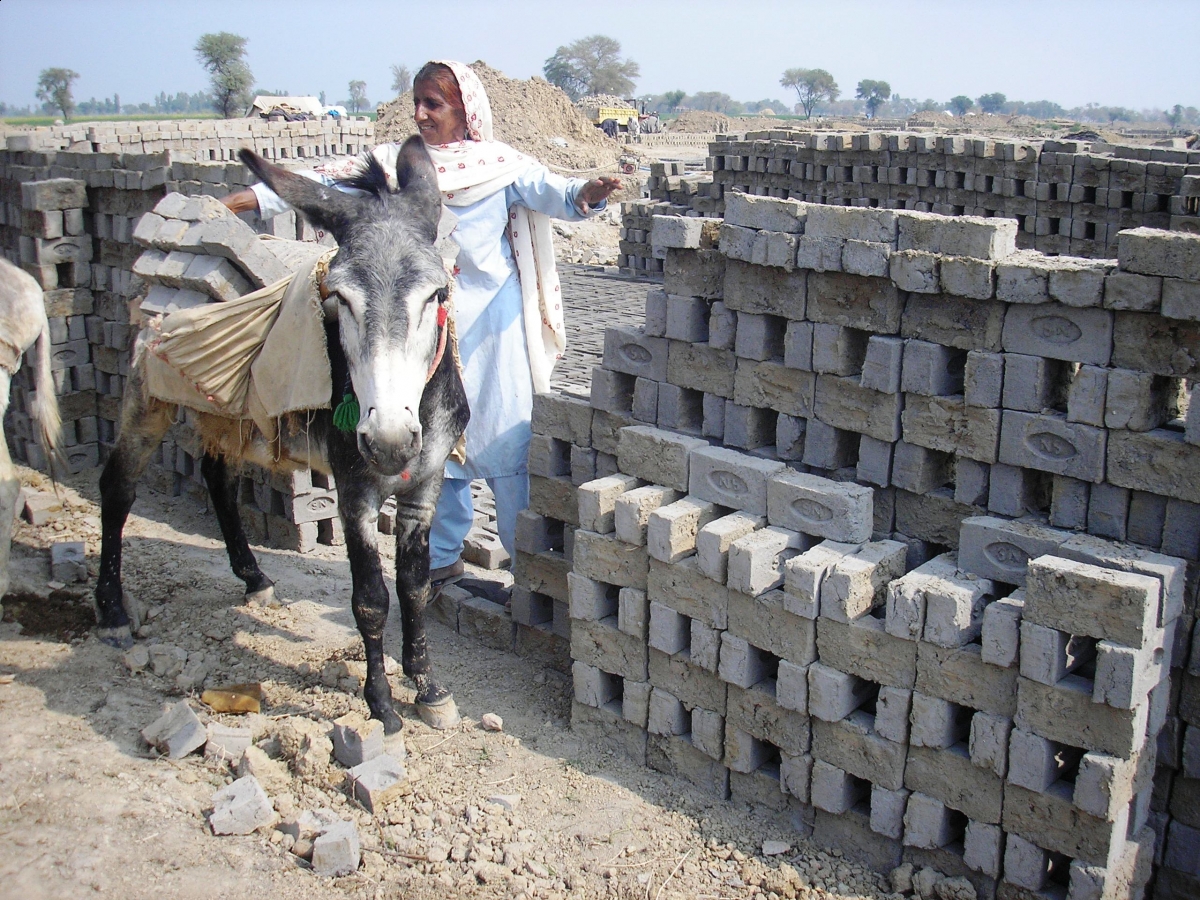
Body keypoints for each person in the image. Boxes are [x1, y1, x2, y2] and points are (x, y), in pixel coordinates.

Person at [222, 60, 621, 590]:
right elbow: (321, 183)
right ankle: (442, 562)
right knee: (435, 451)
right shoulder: (394, 168)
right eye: (417, 102)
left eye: (434, 103)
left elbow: (561, 193)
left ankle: (528, 573)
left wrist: (589, 192)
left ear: (465, 110)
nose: (421, 114)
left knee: (505, 446)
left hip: (492, 329)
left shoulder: (500, 166)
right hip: (419, 331)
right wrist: (246, 199)